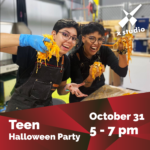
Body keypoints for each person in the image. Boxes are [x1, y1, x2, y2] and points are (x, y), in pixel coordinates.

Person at [0, 19, 87, 112]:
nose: (70, 41)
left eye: (74, 38)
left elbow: (61, 90)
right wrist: (25, 39)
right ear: (54, 34)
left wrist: (67, 88)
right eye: (65, 35)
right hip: (20, 108)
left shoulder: (65, 60)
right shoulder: (33, 51)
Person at [69, 22, 128, 103]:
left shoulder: (104, 51)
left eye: (100, 39)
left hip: (100, 92)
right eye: (92, 38)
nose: (96, 43)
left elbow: (122, 72)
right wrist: (91, 76)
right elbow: (82, 86)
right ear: (83, 39)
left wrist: (122, 51)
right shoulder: (74, 57)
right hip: (80, 98)